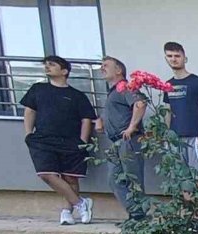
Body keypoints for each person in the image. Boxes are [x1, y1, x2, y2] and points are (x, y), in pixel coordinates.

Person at [21, 55, 96, 225]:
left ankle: (67, 212)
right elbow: (29, 111)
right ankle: (81, 203)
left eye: (52, 65)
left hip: (70, 141)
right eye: (46, 65)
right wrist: (28, 133)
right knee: (47, 174)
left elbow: (86, 118)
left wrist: (82, 141)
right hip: (42, 139)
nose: (47, 67)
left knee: (70, 178)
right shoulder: (38, 89)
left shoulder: (76, 95)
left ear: (64, 71)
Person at [162, 41, 198, 228]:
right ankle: (192, 216)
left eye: (177, 55)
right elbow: (166, 112)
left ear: (185, 57)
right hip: (175, 139)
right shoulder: (167, 86)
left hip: (195, 138)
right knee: (183, 179)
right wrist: (166, 136)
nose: (174, 59)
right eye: (170, 56)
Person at [96, 56, 146, 221]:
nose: (102, 68)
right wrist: (101, 121)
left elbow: (140, 104)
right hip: (114, 142)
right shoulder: (112, 92)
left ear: (118, 70)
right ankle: (135, 214)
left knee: (133, 179)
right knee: (114, 179)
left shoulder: (125, 87)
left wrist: (132, 127)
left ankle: (139, 217)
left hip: (129, 140)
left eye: (106, 65)